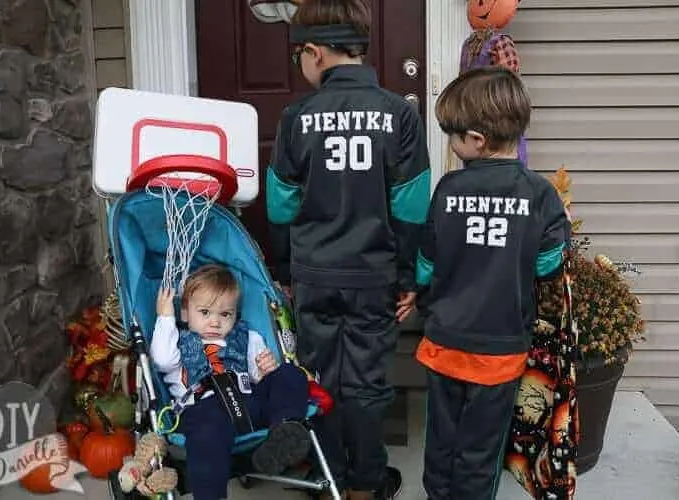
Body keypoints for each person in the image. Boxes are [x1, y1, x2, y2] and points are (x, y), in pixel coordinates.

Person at [265, 1, 431, 498]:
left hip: (315, 275)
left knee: (320, 378)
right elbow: (412, 207)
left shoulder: (296, 117)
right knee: (367, 383)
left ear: (314, 53)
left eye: (300, 56)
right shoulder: (400, 114)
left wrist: (287, 271)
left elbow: (280, 205)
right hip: (373, 277)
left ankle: (329, 478)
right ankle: (366, 483)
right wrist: (407, 277)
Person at [413, 66, 571, 500]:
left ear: (476, 141)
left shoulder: (448, 189)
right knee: (480, 448)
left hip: (446, 342)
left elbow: (427, 263)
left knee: (441, 439)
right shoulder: (540, 195)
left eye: (453, 135)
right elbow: (548, 265)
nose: (452, 144)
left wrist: (419, 292)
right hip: (501, 349)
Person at [150, 264, 311, 500]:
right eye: (205, 312)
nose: (215, 322)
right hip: (203, 409)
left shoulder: (247, 337)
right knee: (208, 432)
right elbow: (161, 360)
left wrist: (265, 370)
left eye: (225, 314)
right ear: (185, 312)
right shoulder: (178, 343)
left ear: (235, 314)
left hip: (248, 404)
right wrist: (165, 317)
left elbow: (257, 377)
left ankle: (283, 432)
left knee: (289, 374)